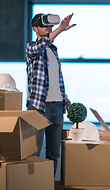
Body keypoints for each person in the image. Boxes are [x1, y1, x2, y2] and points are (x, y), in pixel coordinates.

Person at [26, 13, 75, 175]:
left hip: (57, 108)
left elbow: (56, 78)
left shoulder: (53, 50)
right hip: (39, 107)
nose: (48, 29)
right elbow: (43, 43)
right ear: (35, 29)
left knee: (54, 154)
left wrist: (65, 99)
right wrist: (61, 29)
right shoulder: (31, 47)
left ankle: (48, 185)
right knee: (33, 153)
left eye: (50, 27)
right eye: (44, 26)